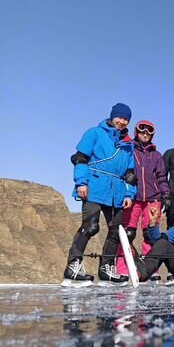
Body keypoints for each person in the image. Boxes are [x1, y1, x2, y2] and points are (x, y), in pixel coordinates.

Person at [64, 102, 137, 283]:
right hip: (95, 186)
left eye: (126, 119)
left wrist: (129, 194)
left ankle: (107, 268)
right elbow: (81, 158)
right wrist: (81, 182)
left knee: (116, 231)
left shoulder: (128, 144)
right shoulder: (94, 133)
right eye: (120, 117)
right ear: (113, 116)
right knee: (90, 226)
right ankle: (73, 266)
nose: (122, 121)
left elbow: (130, 174)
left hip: (117, 192)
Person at [116, 120, 170, 277]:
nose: (145, 135)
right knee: (128, 233)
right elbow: (121, 170)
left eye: (148, 133)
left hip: (153, 198)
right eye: (142, 132)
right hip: (133, 197)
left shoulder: (156, 155)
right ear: (136, 132)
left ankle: (151, 268)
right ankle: (123, 268)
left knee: (150, 234)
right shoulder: (129, 150)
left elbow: (161, 177)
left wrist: (165, 195)